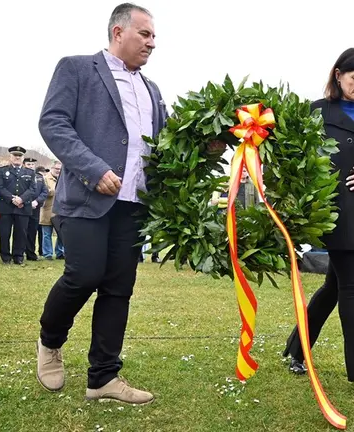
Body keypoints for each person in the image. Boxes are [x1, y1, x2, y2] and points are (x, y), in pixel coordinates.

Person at [36, 3, 221, 404]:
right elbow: (53, 123)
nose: (153, 43)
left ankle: (103, 377)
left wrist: (209, 145)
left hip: (133, 205)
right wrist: (93, 169)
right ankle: (50, 342)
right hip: (87, 198)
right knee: (84, 275)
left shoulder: (152, 90)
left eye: (154, 36)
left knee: (118, 289)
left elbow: (171, 144)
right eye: (145, 34)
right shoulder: (77, 68)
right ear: (118, 32)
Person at [282, 48, 354, 399]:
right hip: (335, 212)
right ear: (339, 75)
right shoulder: (317, 111)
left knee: (334, 285)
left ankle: (296, 349)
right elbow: (297, 157)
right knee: (350, 288)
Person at [0, 146, 37, 265]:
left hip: (23, 207)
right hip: (6, 206)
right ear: (10, 157)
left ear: (23, 158)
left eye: (20, 156)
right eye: (15, 155)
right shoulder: (2, 170)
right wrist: (12, 198)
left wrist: (21, 199)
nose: (17, 157)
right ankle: (5, 256)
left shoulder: (30, 172)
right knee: (4, 232)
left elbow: (32, 189)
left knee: (21, 233)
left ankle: (18, 256)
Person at [24, 161, 49, 261]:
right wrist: (28, 202)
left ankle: (31, 253)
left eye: (32, 164)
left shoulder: (39, 177)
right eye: (28, 164)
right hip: (23, 207)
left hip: (35, 208)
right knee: (21, 231)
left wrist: (37, 201)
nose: (30, 166)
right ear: (24, 165)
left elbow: (44, 191)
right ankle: (19, 252)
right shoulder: (21, 175)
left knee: (32, 231)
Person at [40, 161, 64, 260]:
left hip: (61, 211)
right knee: (46, 234)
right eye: (56, 169)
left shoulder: (63, 179)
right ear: (51, 168)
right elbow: (46, 192)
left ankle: (60, 252)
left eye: (60, 169)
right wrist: (58, 190)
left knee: (61, 234)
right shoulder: (45, 179)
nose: (58, 171)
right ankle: (47, 253)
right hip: (47, 210)